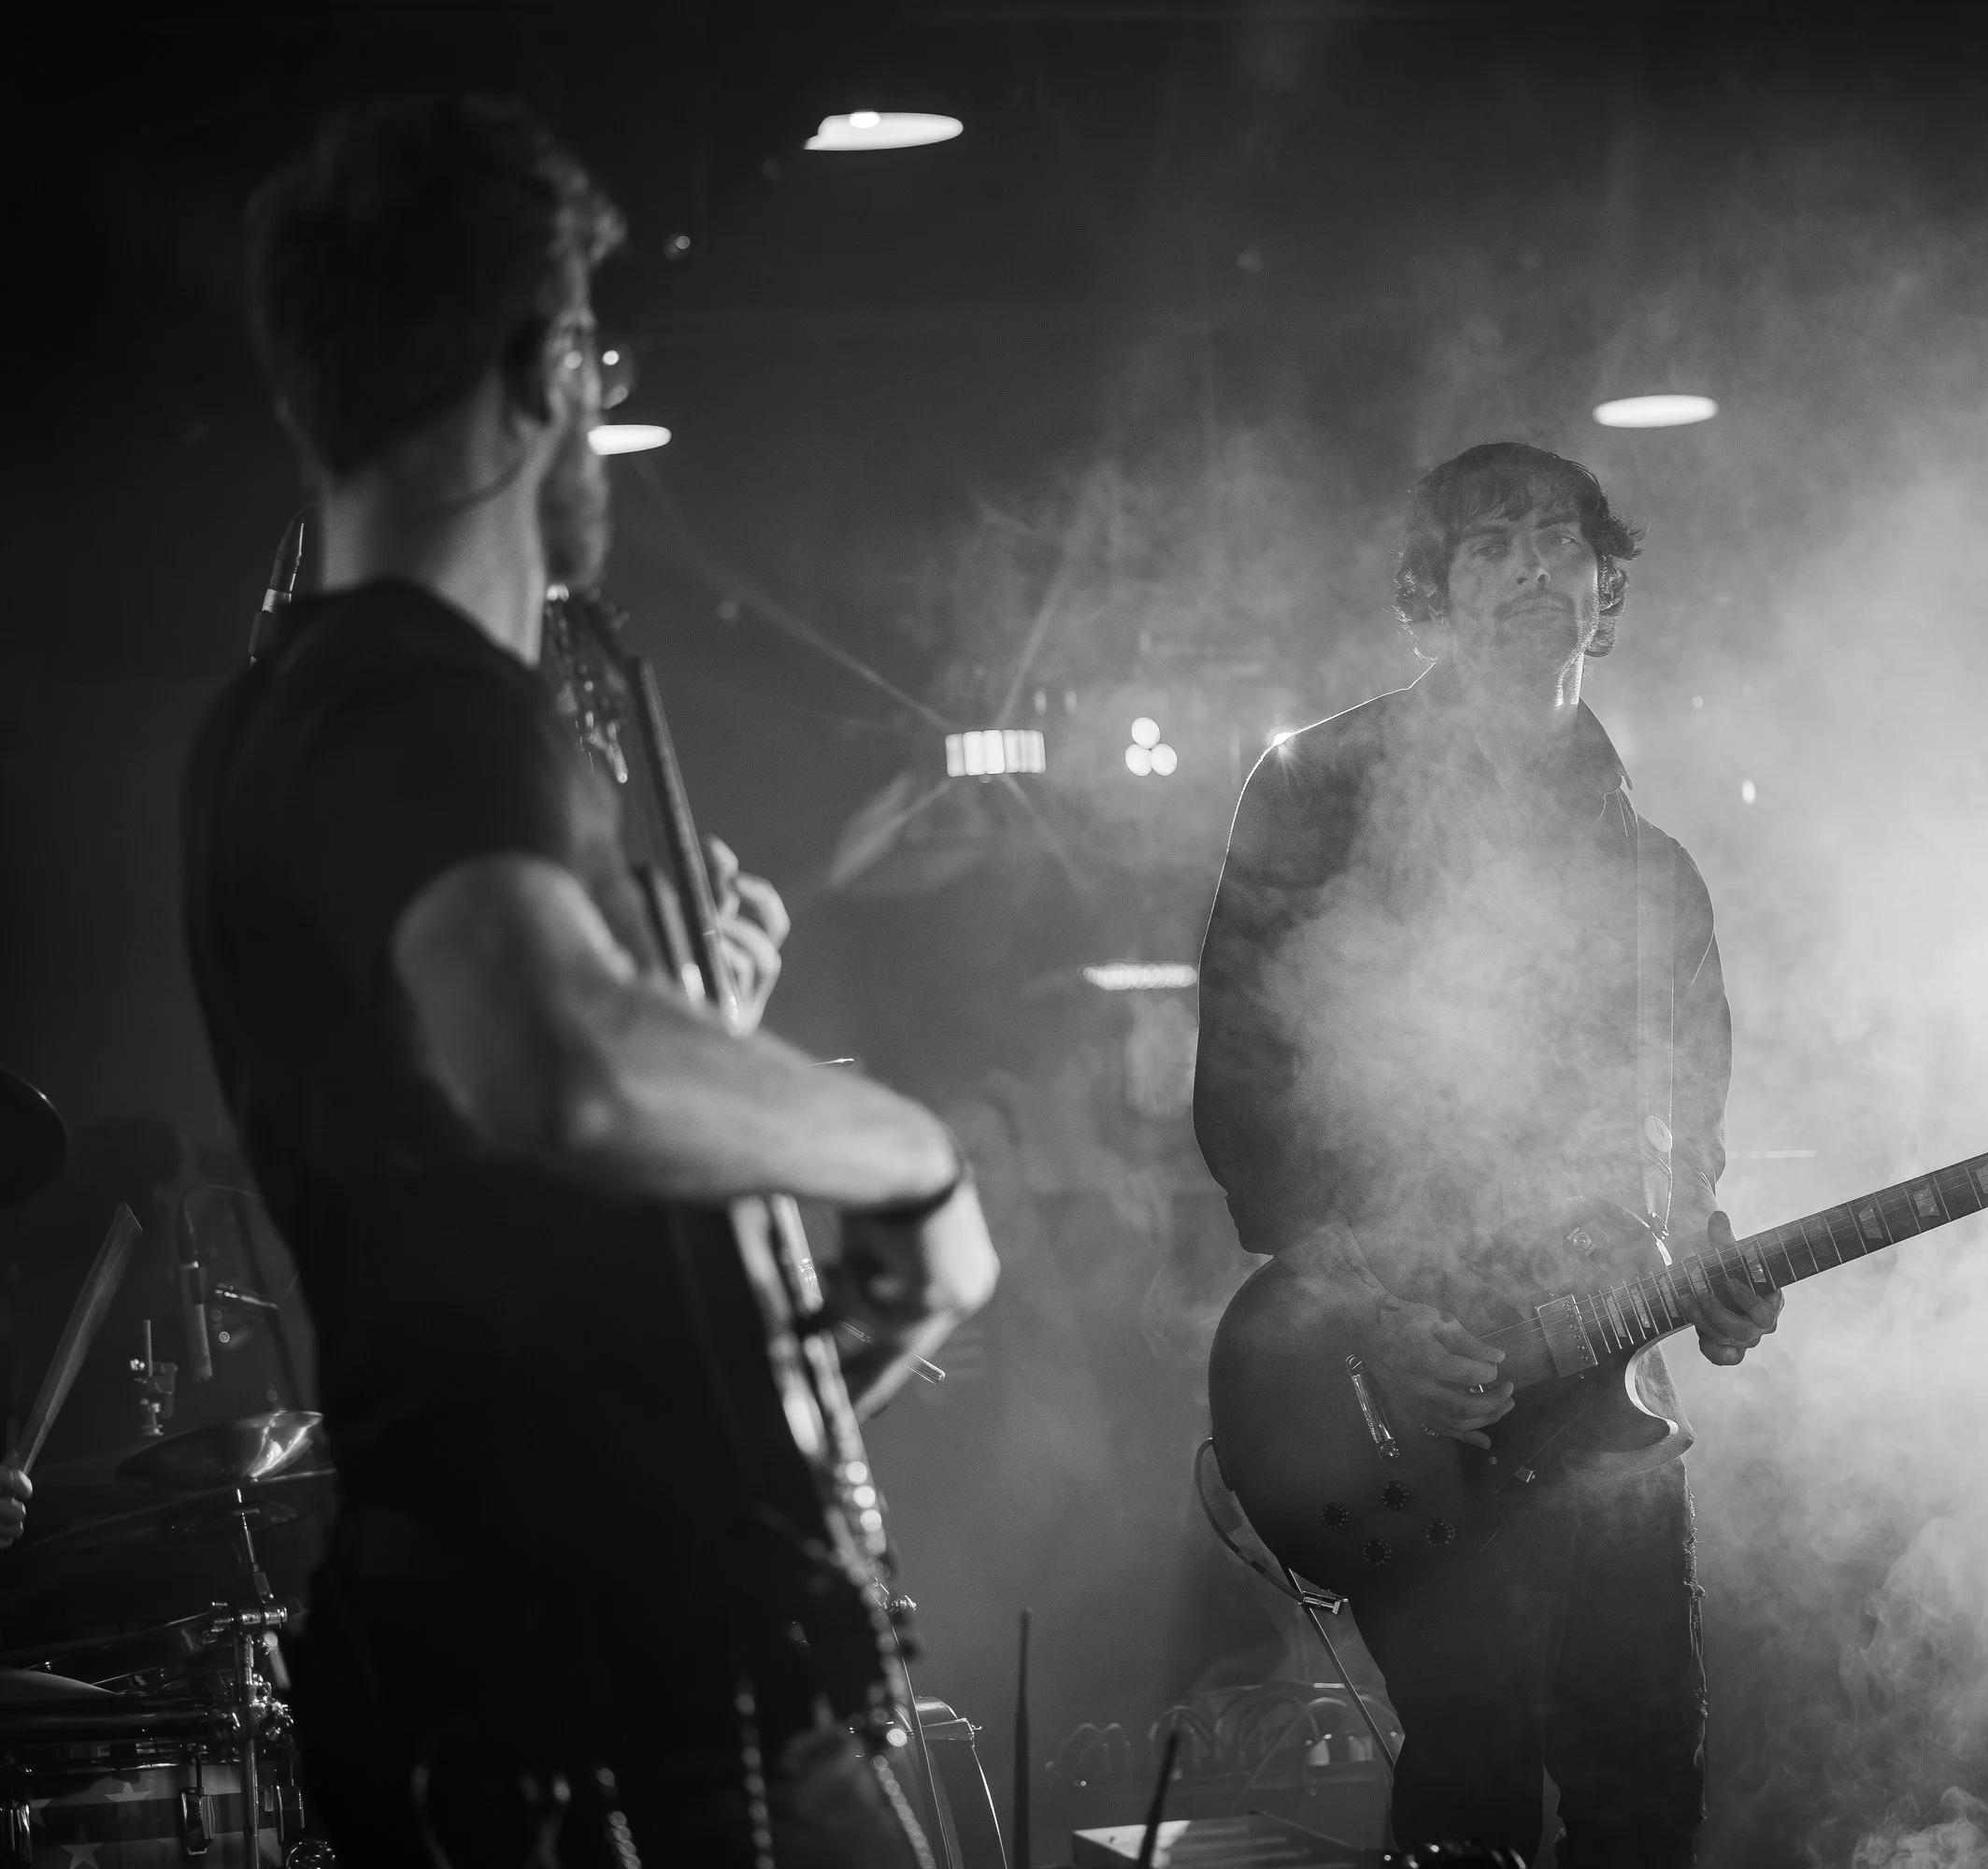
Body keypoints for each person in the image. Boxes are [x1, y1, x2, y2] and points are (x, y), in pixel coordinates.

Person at [182, 96, 996, 1867]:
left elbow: (520, 1171)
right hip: (629, 1721)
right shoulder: (416, 699)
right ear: (545, 368)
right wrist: (911, 1158)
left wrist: (690, 1024)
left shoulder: (304, 712)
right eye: (592, 356)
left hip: (583, 1666)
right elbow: (557, 1060)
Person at [1193, 443, 1781, 1863]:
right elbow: (1247, 1096)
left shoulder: (1655, 874)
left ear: (1603, 584)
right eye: (1490, 546)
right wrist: (1370, 1315)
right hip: (1408, 1389)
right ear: (1433, 596)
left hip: (1609, 1403)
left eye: (1560, 541)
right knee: (1477, 1790)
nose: (1531, 571)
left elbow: (1682, 1138)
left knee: (1649, 1800)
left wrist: (1708, 1267)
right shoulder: (1321, 785)